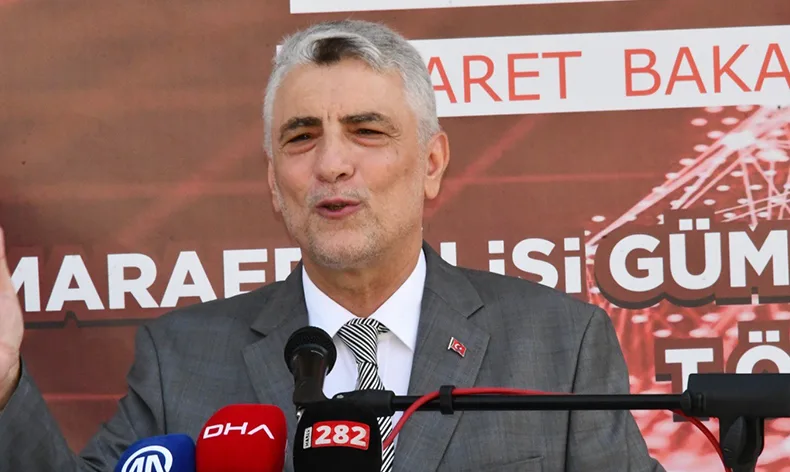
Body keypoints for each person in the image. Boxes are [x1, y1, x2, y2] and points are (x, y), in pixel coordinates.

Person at [0, 19, 665, 472]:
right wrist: (2, 385)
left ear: (432, 163)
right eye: (301, 137)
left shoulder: (560, 345)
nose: (331, 164)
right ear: (273, 181)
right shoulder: (181, 359)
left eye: (367, 131)